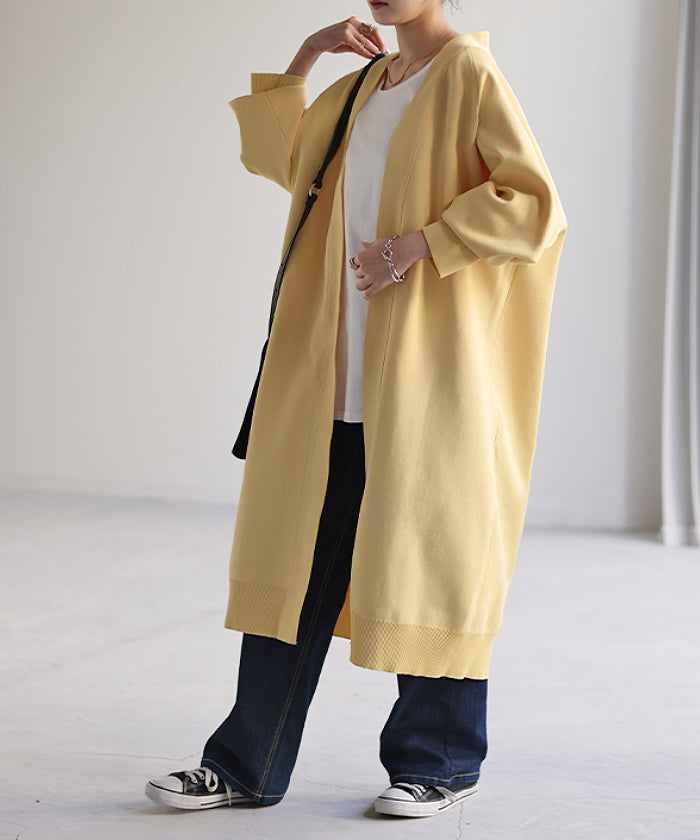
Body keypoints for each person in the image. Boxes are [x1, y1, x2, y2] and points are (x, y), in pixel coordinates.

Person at [145, 0, 567, 820]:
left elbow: (534, 202)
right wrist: (307, 55)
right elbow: (280, 160)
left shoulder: (467, 72)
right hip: (331, 374)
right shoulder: (365, 84)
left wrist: (418, 245)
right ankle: (245, 764)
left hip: (424, 378)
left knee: (435, 560)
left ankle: (440, 765)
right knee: (292, 569)